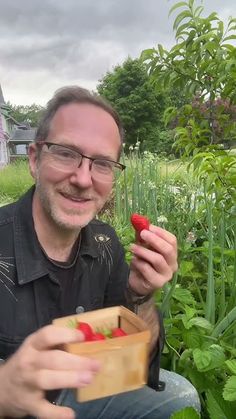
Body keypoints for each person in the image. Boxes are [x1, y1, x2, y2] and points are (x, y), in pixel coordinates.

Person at [0, 86, 200, 419]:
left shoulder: (106, 245)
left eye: (102, 163)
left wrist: (140, 295)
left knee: (180, 397)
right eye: (65, 153)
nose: (83, 179)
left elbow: (130, 362)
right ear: (35, 159)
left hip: (80, 389)